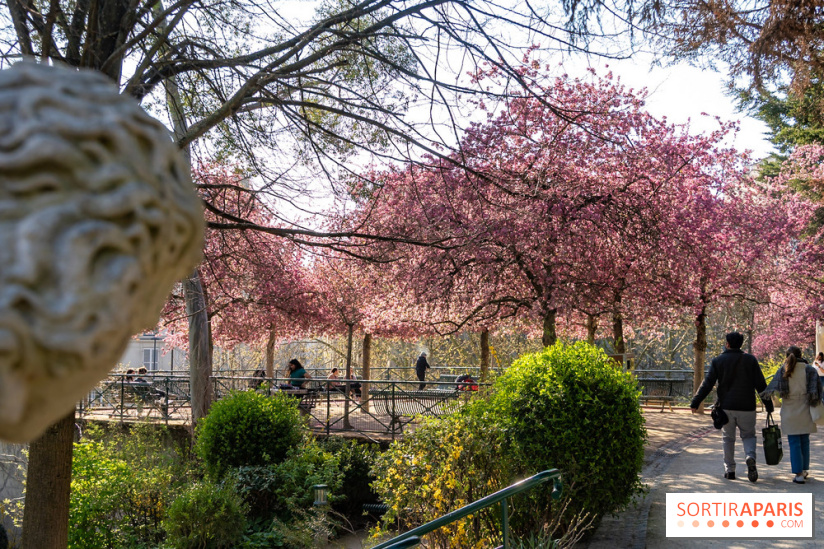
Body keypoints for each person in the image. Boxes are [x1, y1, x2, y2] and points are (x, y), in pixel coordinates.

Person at [691, 331, 773, 482]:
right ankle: (750, 456)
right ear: (740, 344)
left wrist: (696, 402)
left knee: (728, 438)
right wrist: (768, 404)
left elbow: (707, 384)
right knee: (748, 435)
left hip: (726, 407)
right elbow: (761, 385)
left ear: (727, 344)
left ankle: (730, 470)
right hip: (747, 406)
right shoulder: (750, 360)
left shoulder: (718, 361)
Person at [761, 346, 822, 484]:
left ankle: (798, 474)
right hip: (807, 407)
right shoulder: (810, 370)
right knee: (805, 440)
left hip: (789, 408)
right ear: (801, 355)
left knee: (794, 442)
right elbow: (818, 390)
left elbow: (771, 388)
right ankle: (804, 469)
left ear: (787, 355)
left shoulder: (784, 369)